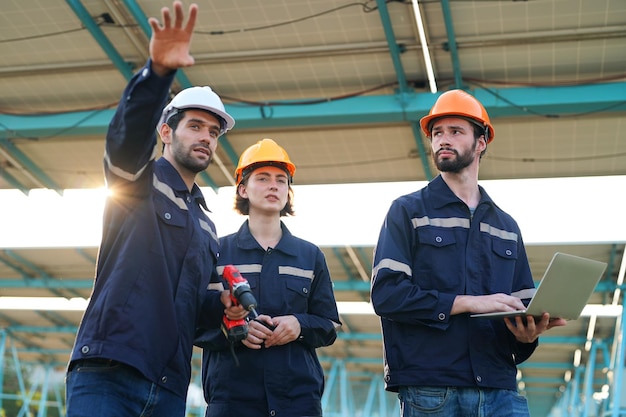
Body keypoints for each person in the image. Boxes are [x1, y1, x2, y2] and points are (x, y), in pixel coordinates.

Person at [65, 2, 246, 416]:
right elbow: (126, 137)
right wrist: (157, 74)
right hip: (109, 373)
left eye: (213, 132)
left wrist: (222, 311)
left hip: (168, 387)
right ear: (166, 131)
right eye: (195, 126)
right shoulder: (135, 184)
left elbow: (192, 311)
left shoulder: (206, 224)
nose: (206, 138)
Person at [370, 89, 567, 417]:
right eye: (437, 133)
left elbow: (520, 307)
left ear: (481, 142)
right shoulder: (407, 212)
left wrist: (528, 335)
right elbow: (387, 295)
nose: (442, 140)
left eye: (455, 131)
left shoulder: (506, 226)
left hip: (499, 387)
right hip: (432, 389)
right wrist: (466, 303)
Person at [196, 138, 342, 417]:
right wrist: (235, 331)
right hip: (232, 402)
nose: (274, 185)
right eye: (262, 178)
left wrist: (299, 325)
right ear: (243, 189)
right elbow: (193, 321)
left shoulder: (310, 256)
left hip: (299, 403)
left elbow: (328, 325)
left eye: (281, 180)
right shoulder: (216, 253)